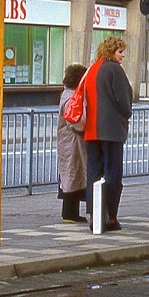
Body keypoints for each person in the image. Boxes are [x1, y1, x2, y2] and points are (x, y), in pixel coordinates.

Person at [83, 36, 133, 233]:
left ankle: (94, 217)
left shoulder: (93, 69)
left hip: (91, 131)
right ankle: (111, 217)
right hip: (111, 130)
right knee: (113, 174)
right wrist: (126, 114)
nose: (122, 56)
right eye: (120, 52)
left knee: (94, 175)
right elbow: (124, 99)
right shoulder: (114, 70)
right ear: (112, 52)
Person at [57, 63, 88, 223]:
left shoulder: (66, 94)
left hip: (67, 141)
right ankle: (69, 213)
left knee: (71, 174)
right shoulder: (72, 97)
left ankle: (70, 212)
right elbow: (77, 121)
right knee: (72, 173)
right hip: (72, 141)